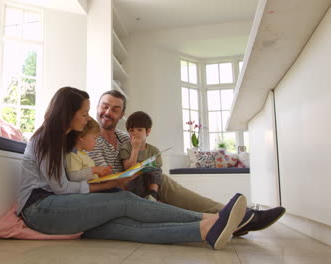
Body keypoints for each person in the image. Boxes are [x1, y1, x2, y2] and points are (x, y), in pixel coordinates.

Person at [16, 86, 248, 249]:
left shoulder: (68, 139)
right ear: (68, 114)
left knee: (127, 228)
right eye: (84, 114)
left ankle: (205, 229)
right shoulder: (46, 139)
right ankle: (214, 217)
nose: (88, 119)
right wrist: (109, 185)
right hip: (42, 209)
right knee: (123, 199)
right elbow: (62, 188)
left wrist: (113, 182)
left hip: (63, 209)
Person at [88, 90, 286, 236]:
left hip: (139, 184)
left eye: (115, 109)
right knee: (164, 186)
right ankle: (239, 217)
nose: (108, 112)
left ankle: (238, 216)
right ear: (98, 107)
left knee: (161, 180)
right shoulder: (91, 139)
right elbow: (109, 179)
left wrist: (147, 166)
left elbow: (148, 154)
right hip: (120, 193)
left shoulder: (126, 136)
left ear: (121, 115)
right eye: (104, 106)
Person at [120, 111, 162, 201]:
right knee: (135, 172)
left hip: (150, 182)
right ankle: (140, 199)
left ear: (148, 131)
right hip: (134, 180)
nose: (135, 133)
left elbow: (157, 173)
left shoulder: (154, 150)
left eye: (139, 130)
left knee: (156, 170)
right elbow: (127, 168)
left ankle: (153, 195)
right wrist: (135, 149)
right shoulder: (126, 147)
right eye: (131, 130)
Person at [65, 117, 112, 181]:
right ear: (82, 136)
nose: (96, 142)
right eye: (94, 138)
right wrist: (94, 170)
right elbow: (73, 176)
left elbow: (86, 175)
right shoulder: (73, 155)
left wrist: (99, 174)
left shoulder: (83, 154)